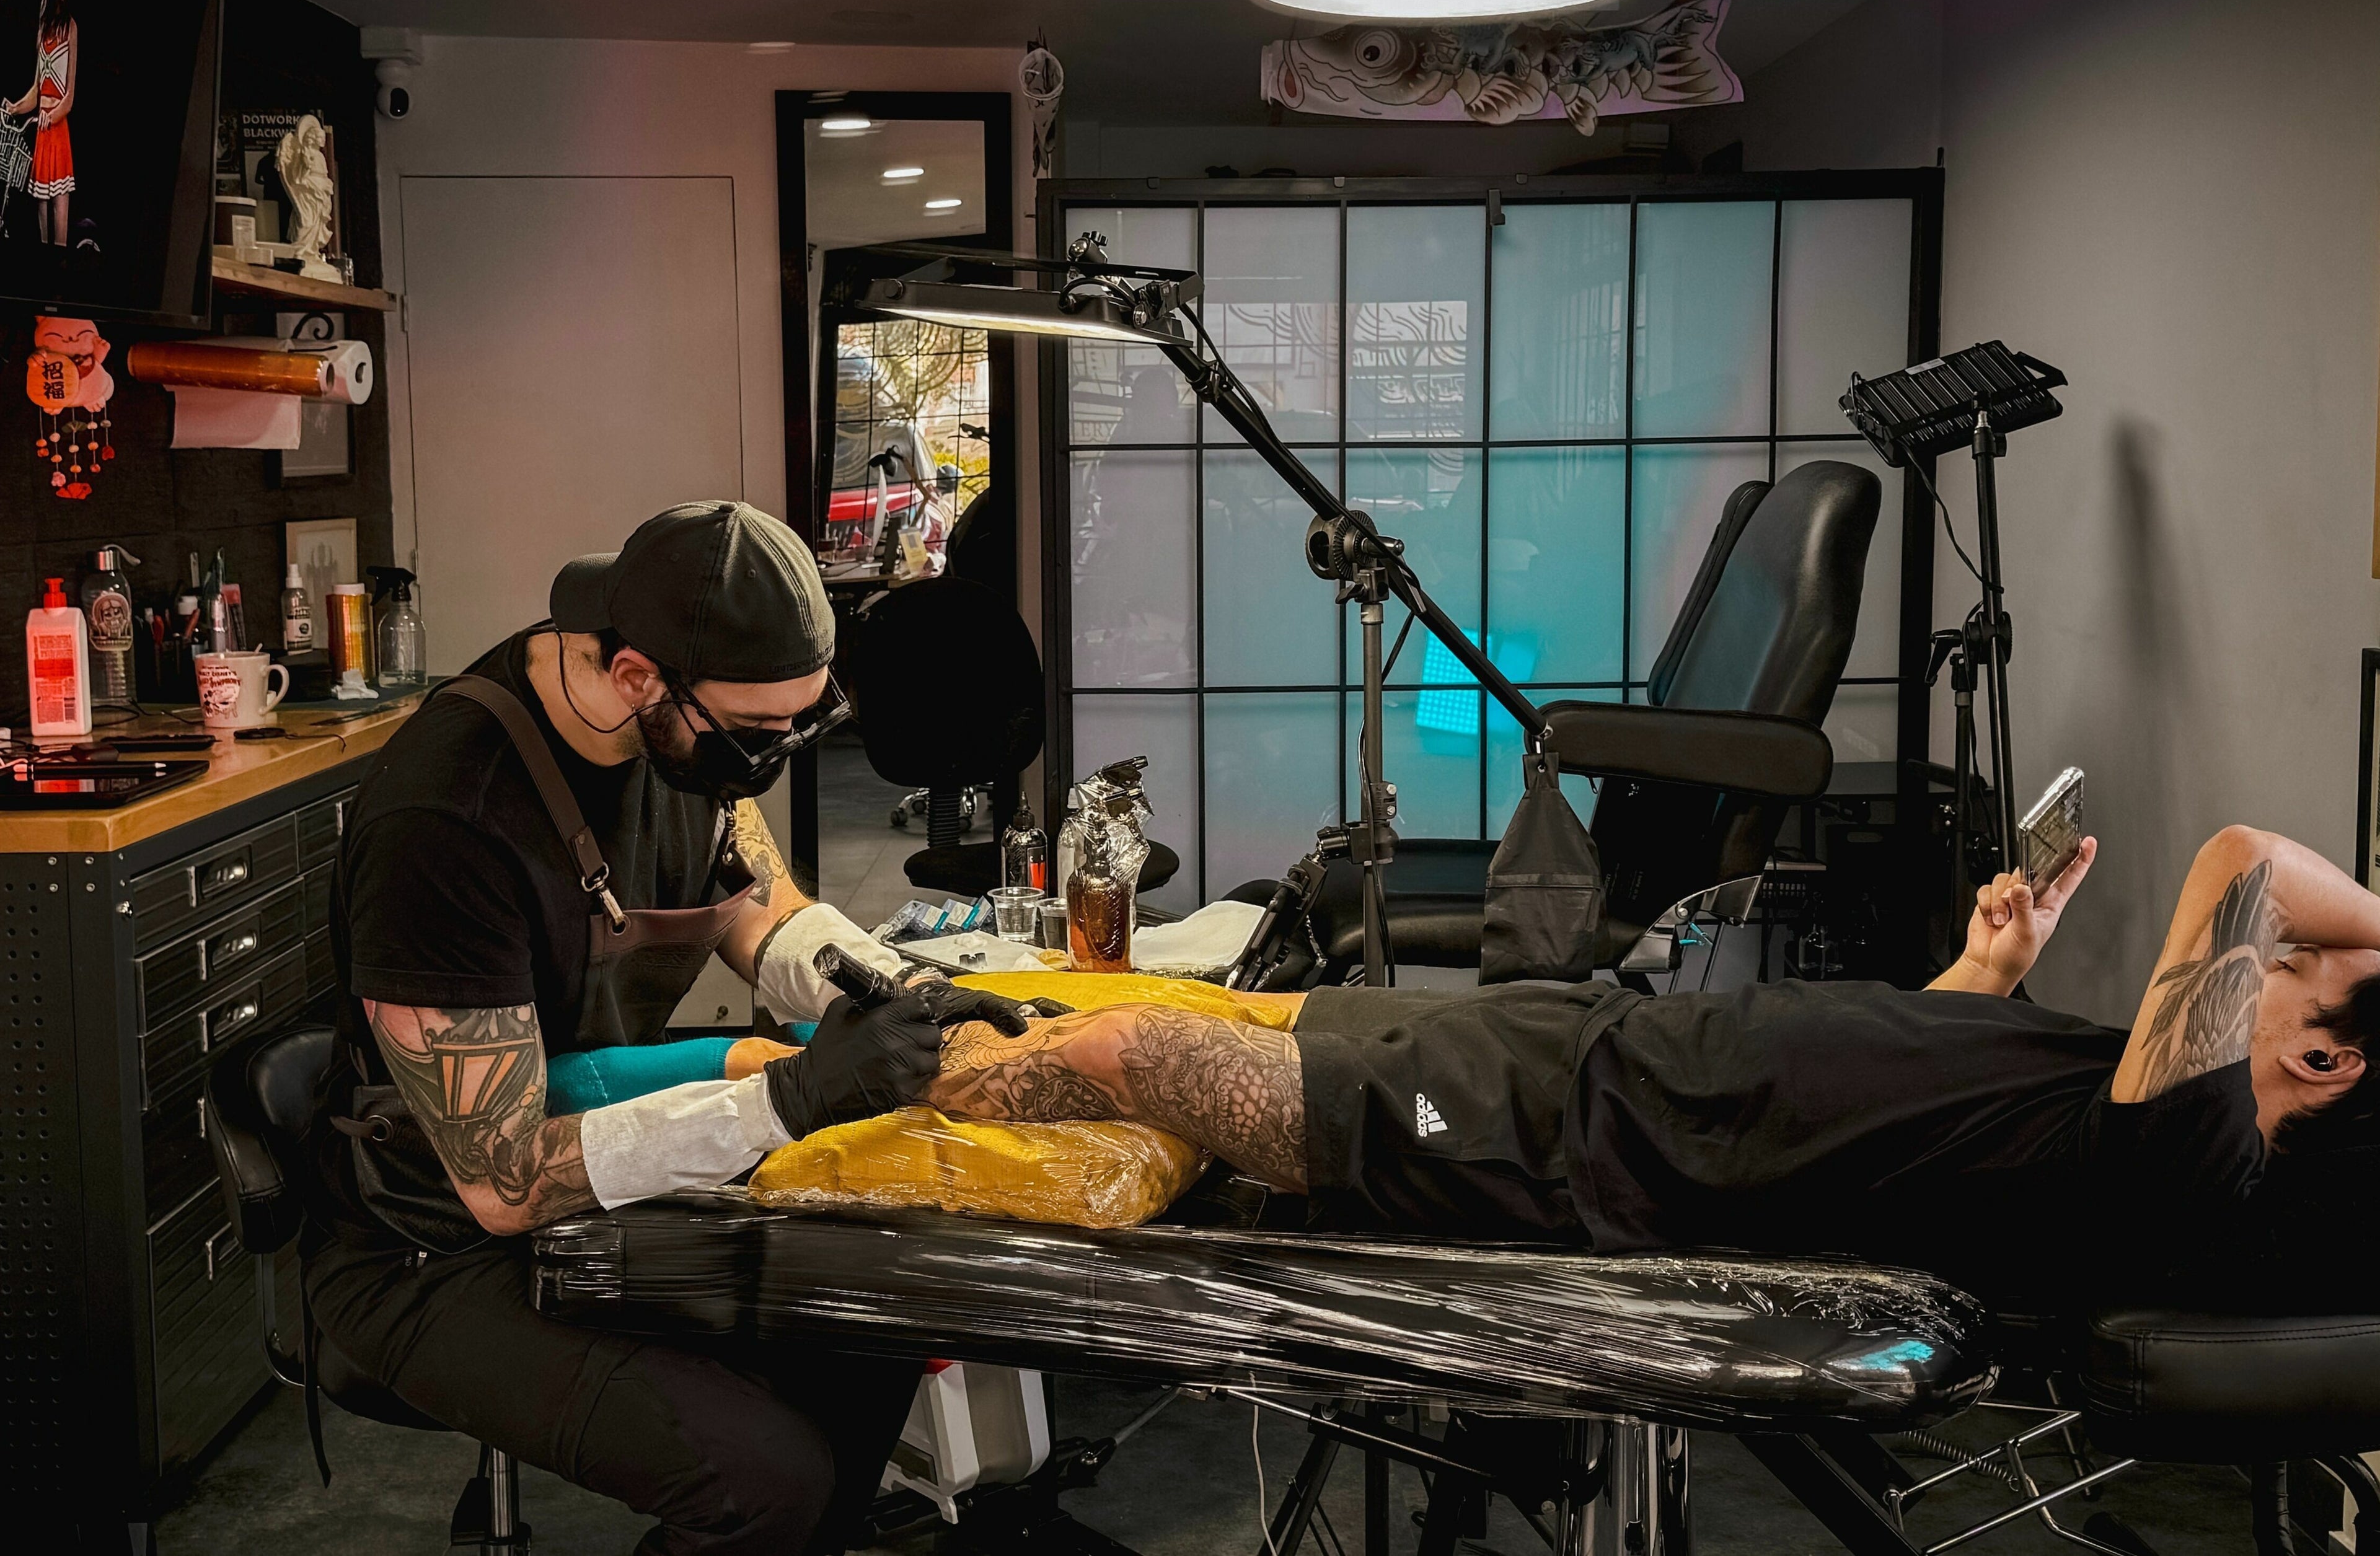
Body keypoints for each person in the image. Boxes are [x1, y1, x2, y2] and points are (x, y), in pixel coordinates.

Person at [302, 501, 1036, 1555]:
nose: (771, 759)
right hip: (431, 1246)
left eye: (801, 725)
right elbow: (503, 1183)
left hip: (609, 1171)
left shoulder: (689, 737)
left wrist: (893, 986)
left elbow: (761, 909)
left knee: (884, 1314)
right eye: (752, 734)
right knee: (765, 1483)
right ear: (640, 675)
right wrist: (791, 1095)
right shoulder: (449, 823)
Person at [914, 824, 2380, 1307]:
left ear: (2319, 1057)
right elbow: (1898, 1116)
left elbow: (2241, 857)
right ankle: (876, 1034)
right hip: (1574, 1053)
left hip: (1545, 1137)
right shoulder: (2128, 1116)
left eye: (2305, 981)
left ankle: (852, 1087)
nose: (2279, 971)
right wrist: (1987, 966)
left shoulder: (2198, 1164)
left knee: (1126, 1046)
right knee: (1202, 1009)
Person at [5, 0, 75, 247]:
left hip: (57, 128)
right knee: (41, 204)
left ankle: (60, 264)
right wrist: (15, 106)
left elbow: (69, 96)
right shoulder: (43, 30)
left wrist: (54, 114)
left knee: (59, 202)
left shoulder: (70, 28)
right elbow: (37, 90)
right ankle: (46, 269)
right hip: (42, 129)